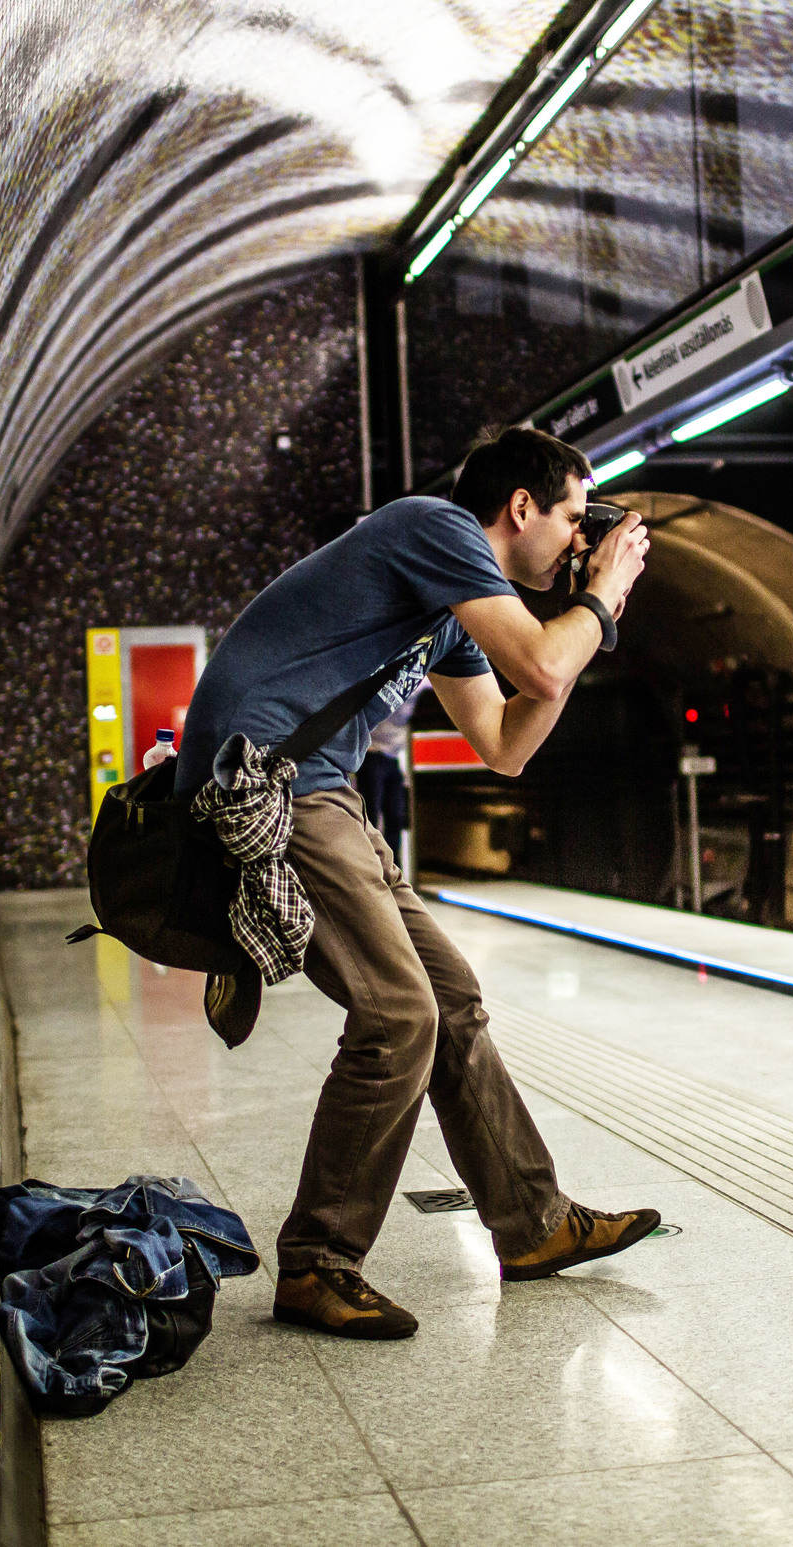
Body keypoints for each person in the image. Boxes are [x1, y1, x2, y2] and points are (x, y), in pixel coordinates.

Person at [174, 424, 656, 1338]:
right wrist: (600, 596)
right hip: (270, 783)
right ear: (519, 508)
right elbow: (544, 661)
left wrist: (592, 620)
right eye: (567, 517)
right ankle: (317, 1260)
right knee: (400, 1013)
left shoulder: (453, 604)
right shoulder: (434, 527)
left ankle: (533, 1223)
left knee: (452, 995)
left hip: (322, 791)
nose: (574, 540)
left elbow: (507, 741)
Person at [356, 688, 419, 862]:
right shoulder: (387, 682)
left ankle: (393, 869)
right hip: (372, 754)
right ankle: (369, 868)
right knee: (371, 818)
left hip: (392, 758)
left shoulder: (419, 679)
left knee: (396, 817)